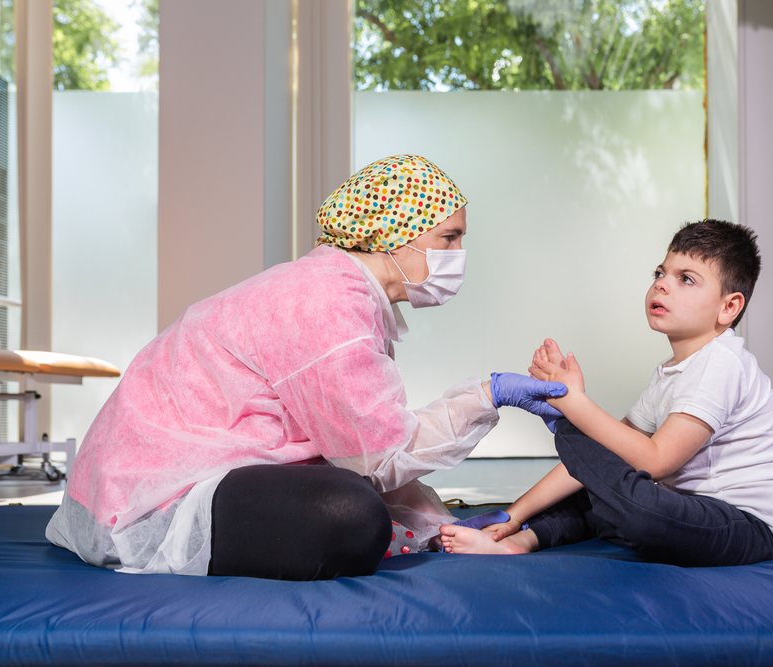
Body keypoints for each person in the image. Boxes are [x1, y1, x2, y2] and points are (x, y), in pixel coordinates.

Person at [46, 155, 565, 581]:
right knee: (352, 514)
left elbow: (355, 447)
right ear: (390, 235)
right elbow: (379, 456)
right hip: (149, 503)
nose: (459, 255)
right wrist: (488, 394)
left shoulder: (336, 290)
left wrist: (438, 524)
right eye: (448, 238)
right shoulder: (328, 303)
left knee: (360, 500)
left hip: (151, 480)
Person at [440, 219, 773, 567]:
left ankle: (560, 428)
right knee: (600, 487)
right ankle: (520, 541)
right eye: (660, 273)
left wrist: (571, 407)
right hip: (693, 510)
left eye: (686, 279)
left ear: (729, 307)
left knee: (639, 509)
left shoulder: (721, 362)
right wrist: (514, 515)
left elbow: (657, 461)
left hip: (748, 526)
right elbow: (600, 458)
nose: (662, 285)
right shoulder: (671, 373)